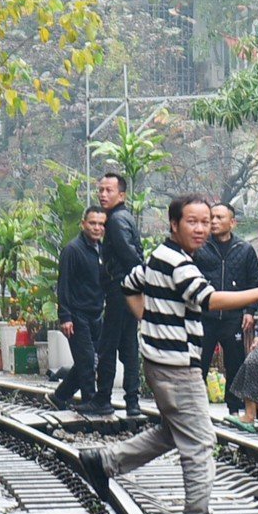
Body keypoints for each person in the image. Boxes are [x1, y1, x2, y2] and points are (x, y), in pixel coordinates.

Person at [78, 195, 258, 514]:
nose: (201, 228)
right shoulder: (180, 264)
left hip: (163, 363)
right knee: (200, 443)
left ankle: (103, 461)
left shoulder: (159, 257)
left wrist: (148, 321)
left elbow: (130, 284)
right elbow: (209, 299)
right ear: (174, 225)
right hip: (176, 368)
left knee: (172, 432)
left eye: (205, 221)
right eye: (192, 222)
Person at [194, 202, 258, 428]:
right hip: (205, 316)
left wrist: (250, 311)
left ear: (232, 222)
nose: (214, 222)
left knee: (235, 363)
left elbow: (254, 281)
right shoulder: (201, 247)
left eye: (219, 218)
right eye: (211, 217)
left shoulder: (244, 249)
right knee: (198, 363)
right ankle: (194, 409)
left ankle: (235, 409)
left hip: (234, 317)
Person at [94, 172, 145, 418]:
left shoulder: (116, 220)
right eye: (101, 190)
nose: (103, 194)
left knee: (109, 345)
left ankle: (103, 398)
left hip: (120, 288)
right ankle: (132, 402)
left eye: (109, 190)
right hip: (128, 288)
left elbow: (130, 255)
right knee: (128, 345)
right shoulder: (123, 217)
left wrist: (133, 278)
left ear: (121, 194)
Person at [53, 206, 112, 415]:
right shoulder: (73, 250)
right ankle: (90, 402)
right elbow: (64, 284)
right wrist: (65, 316)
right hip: (77, 315)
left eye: (101, 224)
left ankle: (59, 396)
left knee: (90, 361)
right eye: (92, 223)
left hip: (97, 314)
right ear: (83, 224)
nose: (96, 228)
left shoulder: (103, 250)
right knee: (86, 362)